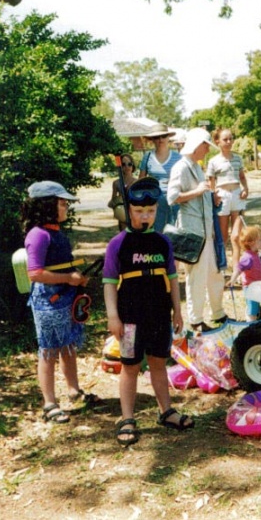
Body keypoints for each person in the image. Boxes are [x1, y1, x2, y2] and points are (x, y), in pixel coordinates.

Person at [102, 178, 191, 446]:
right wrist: (112, 316)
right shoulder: (118, 244)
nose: (145, 216)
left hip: (159, 316)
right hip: (130, 317)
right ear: (129, 211)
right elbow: (108, 283)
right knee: (129, 366)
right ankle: (127, 417)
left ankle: (166, 411)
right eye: (140, 212)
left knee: (158, 363)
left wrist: (177, 311)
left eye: (150, 211)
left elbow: (173, 279)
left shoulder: (163, 242)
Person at [20, 181, 100, 424]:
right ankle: (49, 404)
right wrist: (68, 278)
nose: (66, 208)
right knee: (48, 351)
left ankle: (74, 391)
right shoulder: (38, 235)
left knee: (68, 346)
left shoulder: (55, 232)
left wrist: (76, 278)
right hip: (48, 301)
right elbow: (34, 274)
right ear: (47, 206)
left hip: (65, 297)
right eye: (63, 204)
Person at [167, 128, 227, 332]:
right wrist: (197, 192)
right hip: (193, 231)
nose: (206, 151)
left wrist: (212, 198)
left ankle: (218, 313)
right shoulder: (180, 168)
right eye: (205, 146)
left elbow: (199, 196)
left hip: (207, 229)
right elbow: (172, 197)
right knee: (197, 277)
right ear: (196, 144)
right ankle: (195, 319)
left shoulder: (196, 167)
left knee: (214, 273)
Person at [207, 128, 249, 266]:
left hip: (237, 195)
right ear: (217, 141)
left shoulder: (238, 158)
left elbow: (242, 176)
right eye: (225, 139)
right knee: (223, 236)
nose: (229, 142)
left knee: (236, 236)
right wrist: (213, 195)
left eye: (231, 138)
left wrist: (246, 188)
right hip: (222, 197)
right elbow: (211, 182)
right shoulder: (213, 161)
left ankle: (236, 270)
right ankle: (221, 267)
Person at [139, 123, 182, 232]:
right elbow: (141, 182)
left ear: (168, 138)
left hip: (175, 201)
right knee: (156, 233)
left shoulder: (179, 158)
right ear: (152, 140)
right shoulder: (147, 157)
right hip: (154, 201)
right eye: (156, 137)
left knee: (174, 233)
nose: (160, 140)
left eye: (163, 136)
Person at [226, 226, 261, 322]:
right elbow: (238, 269)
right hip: (251, 287)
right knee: (252, 308)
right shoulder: (247, 257)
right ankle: (251, 324)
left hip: (257, 286)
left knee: (255, 304)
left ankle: (255, 317)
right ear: (251, 243)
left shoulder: (255, 254)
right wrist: (232, 280)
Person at [108, 153, 137, 231]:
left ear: (133, 166)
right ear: (120, 166)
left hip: (135, 213)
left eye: (129, 164)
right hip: (123, 213)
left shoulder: (137, 182)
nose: (127, 167)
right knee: (124, 235)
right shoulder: (116, 183)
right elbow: (113, 201)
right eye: (123, 164)